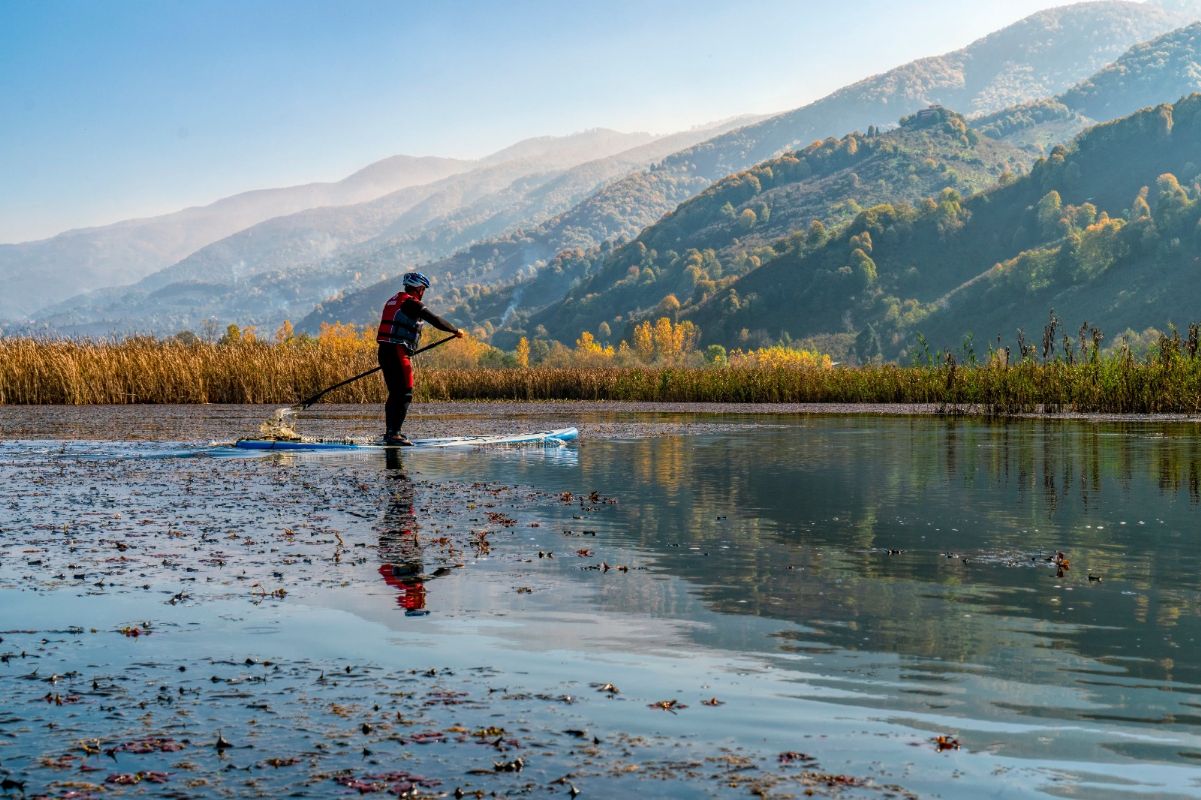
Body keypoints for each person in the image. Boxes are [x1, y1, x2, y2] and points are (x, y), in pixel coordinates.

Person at [376, 271, 463, 445]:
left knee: (395, 393)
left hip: (385, 351)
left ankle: (390, 433)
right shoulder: (410, 303)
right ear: (418, 288)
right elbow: (435, 320)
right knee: (405, 392)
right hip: (397, 351)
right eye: (423, 289)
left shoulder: (394, 300)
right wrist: (455, 330)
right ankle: (394, 434)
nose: (423, 292)